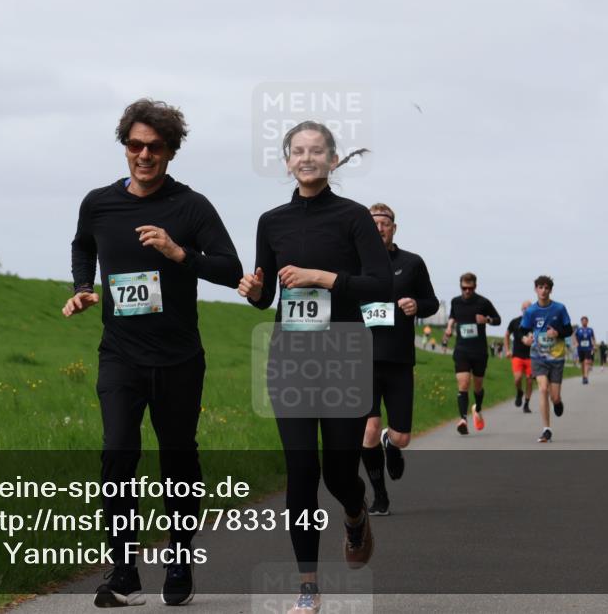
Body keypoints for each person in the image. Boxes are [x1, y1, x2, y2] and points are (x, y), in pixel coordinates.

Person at [65, 99, 243, 608]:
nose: (144, 155)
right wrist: (82, 286)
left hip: (179, 357)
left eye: (155, 147)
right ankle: (123, 570)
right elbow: (83, 245)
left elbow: (231, 270)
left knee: (178, 460)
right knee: (117, 453)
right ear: (125, 146)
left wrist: (177, 252)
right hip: (119, 354)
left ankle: (180, 558)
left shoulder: (191, 206)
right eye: (135, 145)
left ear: (171, 151)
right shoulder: (98, 202)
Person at [238, 121, 391, 614]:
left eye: (316, 151)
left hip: (344, 356)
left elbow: (381, 284)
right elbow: (266, 298)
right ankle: (308, 587)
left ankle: (354, 511)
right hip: (291, 361)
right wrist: (255, 291)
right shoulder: (271, 221)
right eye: (297, 152)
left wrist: (324, 278)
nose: (306, 158)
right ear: (287, 161)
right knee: (301, 470)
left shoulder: (352, 218)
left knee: (338, 473)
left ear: (331, 160)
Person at [360, 203, 439, 516]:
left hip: (399, 361)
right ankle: (380, 498)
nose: (379, 227)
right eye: (373, 223)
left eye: (385, 223)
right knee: (366, 431)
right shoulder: (354, 262)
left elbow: (431, 302)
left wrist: (416, 305)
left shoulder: (412, 263)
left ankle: (391, 445)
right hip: (362, 360)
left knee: (402, 437)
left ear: (394, 228)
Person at [443, 273, 502, 435]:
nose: (467, 291)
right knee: (463, 383)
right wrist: (449, 327)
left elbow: (498, 319)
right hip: (461, 349)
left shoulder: (483, 302)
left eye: (470, 288)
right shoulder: (455, 301)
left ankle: (478, 408)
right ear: (460, 286)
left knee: (477, 386)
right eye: (464, 288)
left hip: (479, 351)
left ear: (475, 287)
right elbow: (453, 316)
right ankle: (463, 419)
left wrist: (487, 320)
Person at [520, 275, 573, 443]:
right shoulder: (531, 311)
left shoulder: (559, 308)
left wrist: (558, 333)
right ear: (536, 289)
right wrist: (525, 339)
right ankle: (546, 429)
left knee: (554, 396)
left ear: (550, 290)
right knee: (543, 389)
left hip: (556, 357)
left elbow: (569, 330)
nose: (543, 291)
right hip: (538, 356)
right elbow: (523, 330)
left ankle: (557, 403)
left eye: (546, 288)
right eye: (540, 287)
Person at [504, 301, 534, 414]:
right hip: (517, 355)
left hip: (531, 356)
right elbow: (507, 334)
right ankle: (519, 392)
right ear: (521, 310)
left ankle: (526, 404)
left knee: (530, 380)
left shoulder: (535, 323)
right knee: (517, 379)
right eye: (524, 308)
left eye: (528, 308)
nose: (526, 310)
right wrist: (507, 350)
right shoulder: (515, 322)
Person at [574, 316, 597, 384]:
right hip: (580, 348)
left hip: (588, 348)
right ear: (581, 322)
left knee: (587, 362)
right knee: (582, 363)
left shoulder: (590, 329)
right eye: (583, 321)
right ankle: (583, 376)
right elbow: (574, 336)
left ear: (587, 322)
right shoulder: (578, 330)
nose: (584, 322)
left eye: (585, 321)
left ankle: (586, 377)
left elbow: (593, 338)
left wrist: (594, 345)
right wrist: (576, 342)